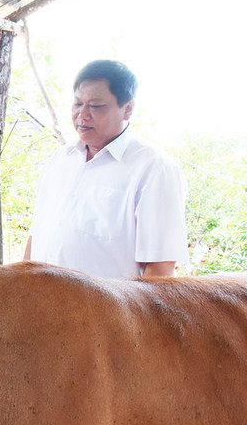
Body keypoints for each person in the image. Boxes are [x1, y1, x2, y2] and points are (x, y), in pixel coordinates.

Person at [23, 60, 188, 278]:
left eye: (96, 106)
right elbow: (36, 237)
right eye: (77, 104)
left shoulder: (154, 170)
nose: (82, 115)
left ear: (127, 109)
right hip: (40, 305)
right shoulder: (61, 160)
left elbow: (160, 270)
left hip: (106, 312)